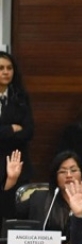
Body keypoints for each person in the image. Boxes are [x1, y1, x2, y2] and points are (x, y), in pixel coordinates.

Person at [0, 52, 35, 203]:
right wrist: (11, 129)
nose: (6, 72)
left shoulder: (20, 97)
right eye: (1, 68)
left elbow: (28, 131)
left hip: (17, 162)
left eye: (9, 68)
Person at [23, 150, 82, 234]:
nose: (69, 175)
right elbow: (10, 213)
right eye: (62, 171)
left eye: (73, 170)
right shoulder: (39, 199)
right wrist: (10, 181)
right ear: (55, 177)